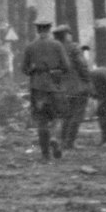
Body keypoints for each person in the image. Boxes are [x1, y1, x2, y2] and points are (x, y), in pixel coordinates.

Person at [18, 21, 70, 160]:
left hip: (37, 88)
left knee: (42, 120)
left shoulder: (30, 47)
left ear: (37, 30)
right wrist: (57, 71)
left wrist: (33, 70)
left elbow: (24, 69)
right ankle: (54, 137)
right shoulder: (57, 45)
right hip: (55, 87)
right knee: (58, 116)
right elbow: (66, 66)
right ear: (49, 29)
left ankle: (45, 155)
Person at [53, 27, 91, 151]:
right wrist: (87, 80)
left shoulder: (54, 48)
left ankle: (62, 141)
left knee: (66, 116)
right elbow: (82, 65)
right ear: (66, 35)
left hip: (61, 88)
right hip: (76, 86)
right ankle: (70, 142)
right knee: (77, 115)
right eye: (69, 34)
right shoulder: (73, 47)